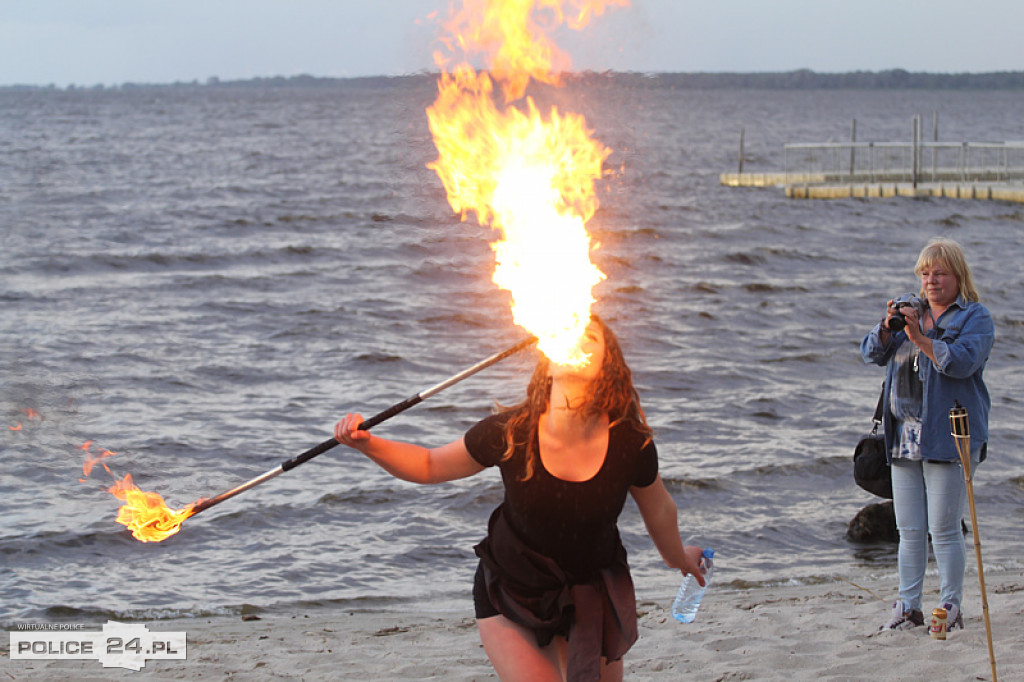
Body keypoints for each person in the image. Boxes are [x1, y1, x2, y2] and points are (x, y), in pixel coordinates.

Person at [334, 315, 705, 682]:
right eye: (567, 330)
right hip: (511, 589)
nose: (575, 338)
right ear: (547, 358)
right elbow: (430, 465)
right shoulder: (511, 432)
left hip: (589, 592)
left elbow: (658, 508)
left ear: (609, 364)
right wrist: (369, 444)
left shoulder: (629, 441)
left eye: (589, 336)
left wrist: (677, 558)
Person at [861, 237, 994, 632]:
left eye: (940, 273)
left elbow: (962, 362)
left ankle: (950, 607)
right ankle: (908, 605)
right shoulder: (909, 313)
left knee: (945, 528)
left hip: (950, 436)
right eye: (925, 273)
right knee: (910, 530)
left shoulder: (975, 318)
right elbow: (870, 352)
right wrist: (889, 326)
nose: (931, 280)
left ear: (957, 276)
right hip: (903, 437)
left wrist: (921, 337)